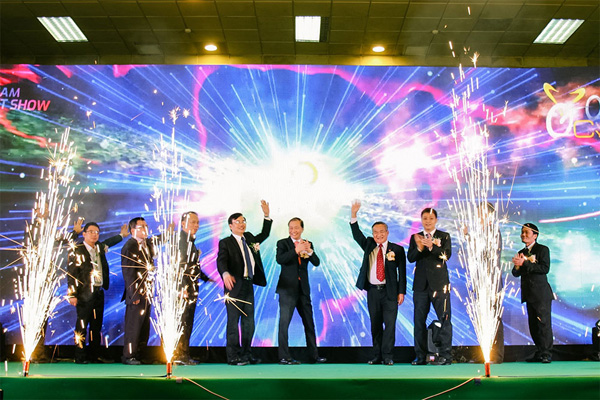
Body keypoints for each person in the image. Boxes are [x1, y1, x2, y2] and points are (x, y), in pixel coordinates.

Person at [350, 201, 407, 366]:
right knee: (375, 324)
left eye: (382, 232)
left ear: (387, 233)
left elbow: (402, 273)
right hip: (373, 291)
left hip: (390, 292)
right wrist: (354, 215)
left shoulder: (397, 249)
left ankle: (388, 356)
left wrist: (401, 292)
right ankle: (377, 356)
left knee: (390, 325)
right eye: (375, 232)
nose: (378, 235)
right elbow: (357, 235)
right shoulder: (369, 245)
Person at [217, 200, 272, 366]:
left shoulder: (249, 238)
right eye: (237, 222)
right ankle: (233, 356)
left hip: (248, 285)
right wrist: (225, 273)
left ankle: (246, 354)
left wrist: (266, 216)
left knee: (249, 323)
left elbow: (264, 234)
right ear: (230, 226)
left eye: (243, 221)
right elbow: (221, 260)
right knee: (233, 323)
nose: (241, 224)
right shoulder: (226, 242)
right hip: (234, 286)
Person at [67, 222, 128, 364]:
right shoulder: (77, 250)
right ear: (84, 234)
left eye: (97, 232)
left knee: (96, 325)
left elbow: (109, 242)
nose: (94, 235)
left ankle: (94, 355)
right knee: (82, 324)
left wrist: (121, 235)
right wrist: (72, 294)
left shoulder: (99, 247)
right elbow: (71, 273)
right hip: (83, 293)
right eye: (91, 232)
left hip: (98, 291)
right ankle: (80, 355)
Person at [275, 217, 326, 365]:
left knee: (309, 323)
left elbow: (316, 262)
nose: (293, 230)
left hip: (303, 290)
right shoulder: (282, 243)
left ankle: (313, 356)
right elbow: (280, 259)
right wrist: (296, 250)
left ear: (302, 229)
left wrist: (309, 251)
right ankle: (284, 357)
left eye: (296, 227)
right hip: (287, 290)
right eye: (291, 228)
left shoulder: (307, 243)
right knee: (284, 324)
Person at [408, 207, 453, 365]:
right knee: (418, 321)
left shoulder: (444, 236)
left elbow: (446, 256)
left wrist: (432, 247)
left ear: (436, 220)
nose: (427, 221)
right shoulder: (415, 237)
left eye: (431, 218)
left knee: (444, 319)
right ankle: (420, 356)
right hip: (420, 286)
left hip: (440, 285)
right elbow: (410, 257)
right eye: (425, 218)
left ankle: (446, 355)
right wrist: (420, 248)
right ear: (421, 220)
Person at [463, 202, 504, 363]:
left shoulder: (493, 231)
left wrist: (469, 238)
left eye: (481, 212)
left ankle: (496, 355)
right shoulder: (480, 231)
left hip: (491, 282)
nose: (478, 216)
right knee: (482, 320)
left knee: (494, 319)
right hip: (481, 282)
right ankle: (485, 354)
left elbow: (487, 254)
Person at [174, 211, 213, 365]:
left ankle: (183, 355)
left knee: (187, 321)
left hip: (190, 287)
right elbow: (178, 265)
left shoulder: (190, 241)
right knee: (182, 322)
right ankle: (179, 356)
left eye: (197, 222)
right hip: (183, 289)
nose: (196, 225)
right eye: (192, 222)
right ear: (183, 224)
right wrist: (182, 286)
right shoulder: (181, 241)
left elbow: (193, 266)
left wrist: (206, 278)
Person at [511, 223, 553, 363]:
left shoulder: (542, 249)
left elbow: (544, 268)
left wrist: (525, 263)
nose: (523, 235)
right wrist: (517, 266)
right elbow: (516, 273)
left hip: (541, 293)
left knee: (543, 324)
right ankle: (540, 351)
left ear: (535, 235)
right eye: (522, 232)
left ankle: (546, 353)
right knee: (533, 325)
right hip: (529, 293)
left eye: (526, 232)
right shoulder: (521, 252)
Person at [120, 217, 154, 365]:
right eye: (141, 226)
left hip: (147, 291)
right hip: (136, 293)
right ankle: (129, 355)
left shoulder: (147, 244)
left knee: (144, 325)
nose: (145, 229)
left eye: (146, 226)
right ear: (133, 230)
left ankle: (140, 353)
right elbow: (128, 273)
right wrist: (133, 294)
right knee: (133, 326)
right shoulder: (130, 246)